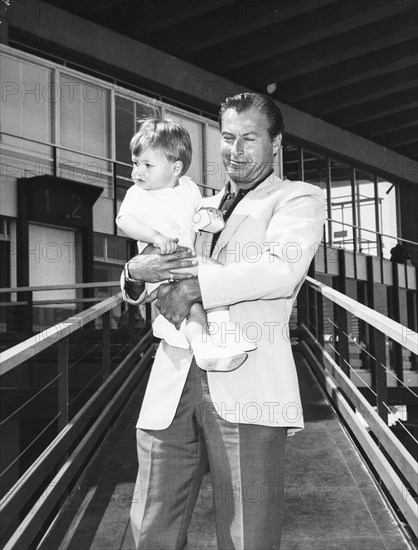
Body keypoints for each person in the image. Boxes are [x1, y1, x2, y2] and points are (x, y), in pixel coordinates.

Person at [121, 92, 326, 549]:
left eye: (249, 138)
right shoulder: (194, 201)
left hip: (249, 384)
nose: (236, 150)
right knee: (149, 530)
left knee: (246, 536)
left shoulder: (298, 199)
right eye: (228, 137)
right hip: (173, 381)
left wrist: (198, 287)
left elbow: (280, 269)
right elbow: (153, 255)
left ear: (276, 142)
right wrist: (133, 274)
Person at [117, 117, 253, 372]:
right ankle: (211, 340)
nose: (138, 172)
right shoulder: (138, 193)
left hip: (186, 260)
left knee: (206, 295)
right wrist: (156, 237)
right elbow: (124, 221)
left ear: (175, 168)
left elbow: (198, 216)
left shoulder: (189, 188)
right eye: (135, 163)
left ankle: (214, 341)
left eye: (147, 165)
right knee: (203, 291)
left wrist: (207, 219)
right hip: (160, 259)